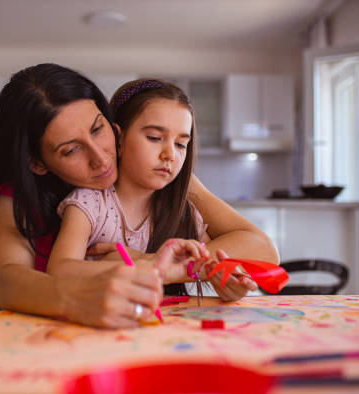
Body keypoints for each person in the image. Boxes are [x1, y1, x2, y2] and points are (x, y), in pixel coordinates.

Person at [0, 63, 278, 329]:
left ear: (114, 126)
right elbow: (9, 282)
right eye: (71, 149)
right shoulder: (23, 199)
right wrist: (90, 291)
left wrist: (169, 265)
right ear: (36, 162)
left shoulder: (164, 181)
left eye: (98, 129)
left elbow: (261, 250)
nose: (101, 158)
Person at [46, 78, 252, 300]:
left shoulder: (184, 212)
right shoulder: (90, 204)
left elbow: (208, 267)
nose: (170, 155)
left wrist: (228, 285)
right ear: (119, 137)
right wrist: (150, 266)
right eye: (155, 138)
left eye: (181, 144)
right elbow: (59, 270)